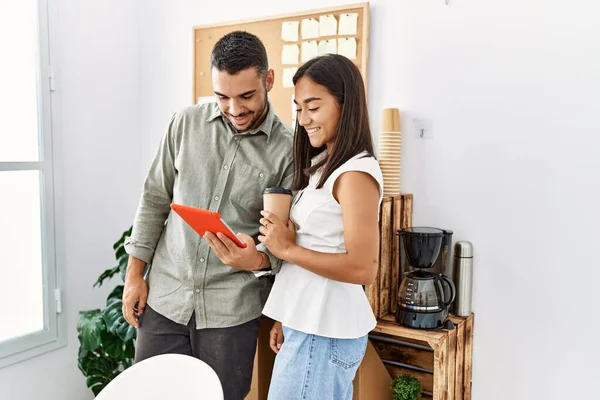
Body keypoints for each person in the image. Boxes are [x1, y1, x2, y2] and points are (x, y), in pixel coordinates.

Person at [122, 31, 293, 400]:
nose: (234, 108)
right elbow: (154, 199)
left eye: (246, 95)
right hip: (166, 299)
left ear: (268, 80)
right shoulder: (184, 124)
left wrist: (257, 259)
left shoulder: (289, 151)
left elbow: (286, 244)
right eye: (222, 96)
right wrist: (134, 274)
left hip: (231, 312)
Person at [257, 54, 383, 400]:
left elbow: (363, 268)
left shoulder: (355, 174)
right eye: (298, 108)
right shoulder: (324, 166)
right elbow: (321, 246)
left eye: (313, 106)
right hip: (310, 327)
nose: (303, 119)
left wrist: (287, 249)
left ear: (346, 104)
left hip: (323, 333)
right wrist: (287, 316)